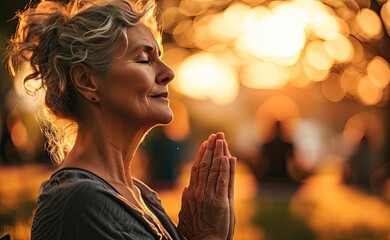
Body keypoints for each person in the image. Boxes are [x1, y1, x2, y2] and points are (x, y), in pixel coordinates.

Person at [7, 0, 236, 239]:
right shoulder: (81, 201)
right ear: (87, 81)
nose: (168, 73)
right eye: (144, 59)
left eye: (159, 56)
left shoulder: (142, 196)